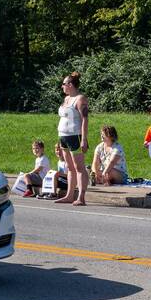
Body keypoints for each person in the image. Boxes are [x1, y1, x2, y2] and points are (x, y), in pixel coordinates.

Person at [55, 71, 89, 206]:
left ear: (70, 84)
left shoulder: (80, 99)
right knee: (69, 167)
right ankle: (69, 195)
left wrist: (84, 139)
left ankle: (81, 196)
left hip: (75, 136)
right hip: (64, 136)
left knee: (79, 167)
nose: (62, 86)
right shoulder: (66, 99)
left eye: (63, 84)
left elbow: (85, 119)